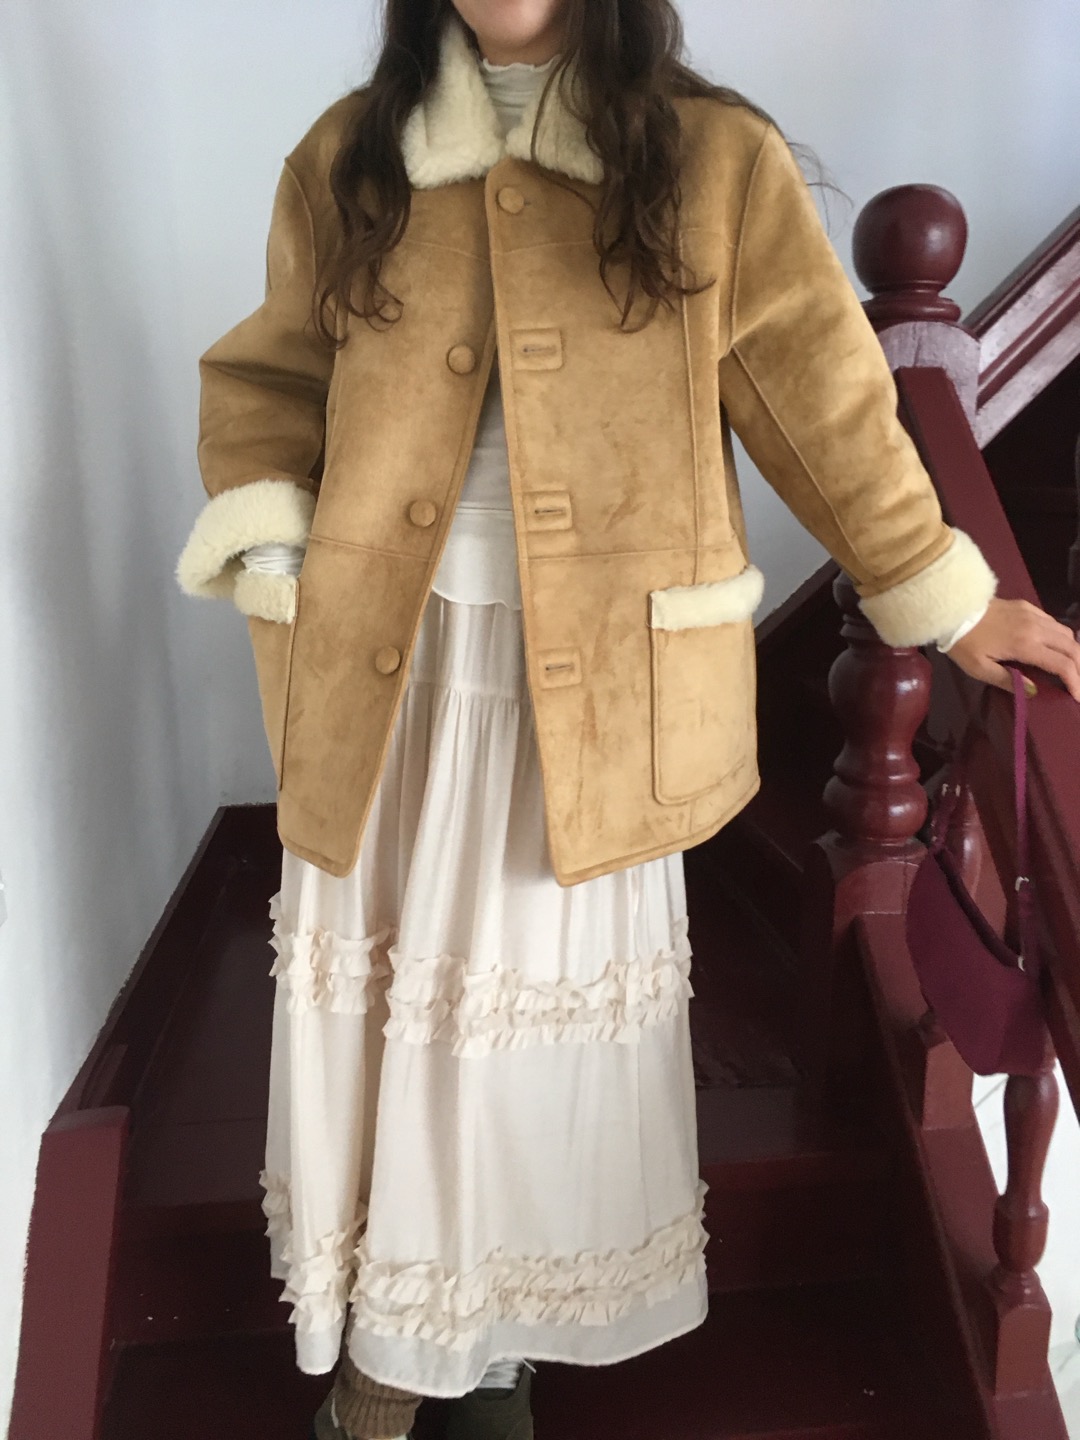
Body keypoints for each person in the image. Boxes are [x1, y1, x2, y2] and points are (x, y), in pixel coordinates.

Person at [174, 2, 1080, 1437]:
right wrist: (279, 557)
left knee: (517, 1038)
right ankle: (393, 1355)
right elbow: (271, 381)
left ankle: (472, 1358)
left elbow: (822, 405)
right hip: (390, 675)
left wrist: (944, 595)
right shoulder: (351, 157)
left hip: (590, 698)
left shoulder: (710, 159)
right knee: (399, 1024)